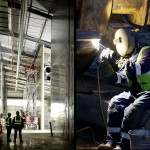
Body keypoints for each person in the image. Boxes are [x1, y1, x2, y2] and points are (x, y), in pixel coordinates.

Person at [97, 28, 150, 150]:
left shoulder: (147, 51)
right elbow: (119, 78)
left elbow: (140, 68)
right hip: (135, 92)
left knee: (131, 110)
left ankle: (123, 145)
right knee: (115, 103)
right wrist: (107, 70)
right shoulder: (128, 58)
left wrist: (121, 62)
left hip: (148, 92)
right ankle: (111, 142)